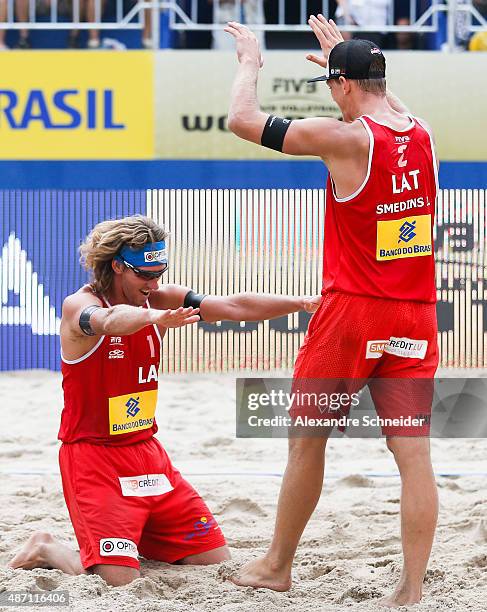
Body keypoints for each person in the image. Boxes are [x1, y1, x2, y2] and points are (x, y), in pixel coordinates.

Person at [225, 15, 439, 608]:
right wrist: (351, 69)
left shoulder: (347, 139)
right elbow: (391, 106)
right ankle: (411, 588)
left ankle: (275, 565)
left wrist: (251, 63)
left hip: (353, 316)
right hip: (416, 316)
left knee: (306, 441)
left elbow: (241, 122)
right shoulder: (423, 135)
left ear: (341, 85)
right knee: (414, 453)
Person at [8, 215, 319, 586]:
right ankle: (47, 547)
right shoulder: (81, 305)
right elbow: (110, 320)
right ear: (118, 266)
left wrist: (302, 302)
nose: (154, 283)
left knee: (212, 560)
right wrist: (154, 316)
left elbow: (234, 306)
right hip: (94, 457)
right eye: (144, 274)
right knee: (118, 581)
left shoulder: (160, 297)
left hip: (147, 451)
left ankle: (129, 537)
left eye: (160, 271)